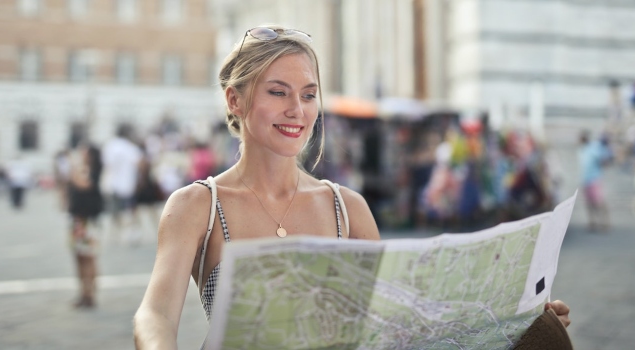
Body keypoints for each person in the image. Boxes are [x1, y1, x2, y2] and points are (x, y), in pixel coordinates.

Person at [133, 25, 571, 349]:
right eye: (278, 92)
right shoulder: (197, 206)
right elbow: (154, 314)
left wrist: (519, 319)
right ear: (235, 100)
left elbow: (397, 326)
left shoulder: (347, 208)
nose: (297, 111)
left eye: (308, 94)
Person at [67, 143, 104, 308]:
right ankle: (83, 292)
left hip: (88, 221)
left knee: (89, 257)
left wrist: (73, 165)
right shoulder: (85, 170)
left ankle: (90, 293)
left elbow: (82, 184)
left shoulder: (95, 172)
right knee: (79, 257)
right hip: (78, 220)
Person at [101, 125, 143, 238]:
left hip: (113, 183)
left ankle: (116, 232)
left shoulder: (110, 146)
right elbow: (139, 163)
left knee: (115, 210)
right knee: (130, 210)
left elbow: (106, 164)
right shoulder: (130, 147)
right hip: (128, 184)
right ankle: (132, 231)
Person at [578, 130, 613, 231]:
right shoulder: (581, 150)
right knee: (589, 203)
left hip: (594, 179)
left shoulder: (593, 148)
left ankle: (605, 222)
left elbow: (604, 159)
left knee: (599, 201)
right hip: (585, 179)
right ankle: (592, 222)